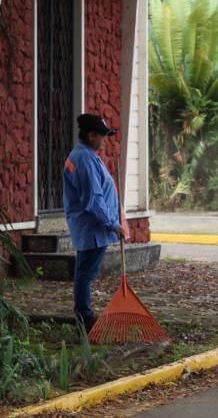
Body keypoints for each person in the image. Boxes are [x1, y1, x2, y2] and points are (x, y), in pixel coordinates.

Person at [64, 114, 125, 331]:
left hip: (93, 227)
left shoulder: (86, 155)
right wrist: (112, 223)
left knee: (85, 273)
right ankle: (85, 320)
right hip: (93, 228)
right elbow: (93, 199)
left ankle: (85, 316)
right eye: (102, 136)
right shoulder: (84, 159)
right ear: (91, 135)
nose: (105, 140)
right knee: (85, 275)